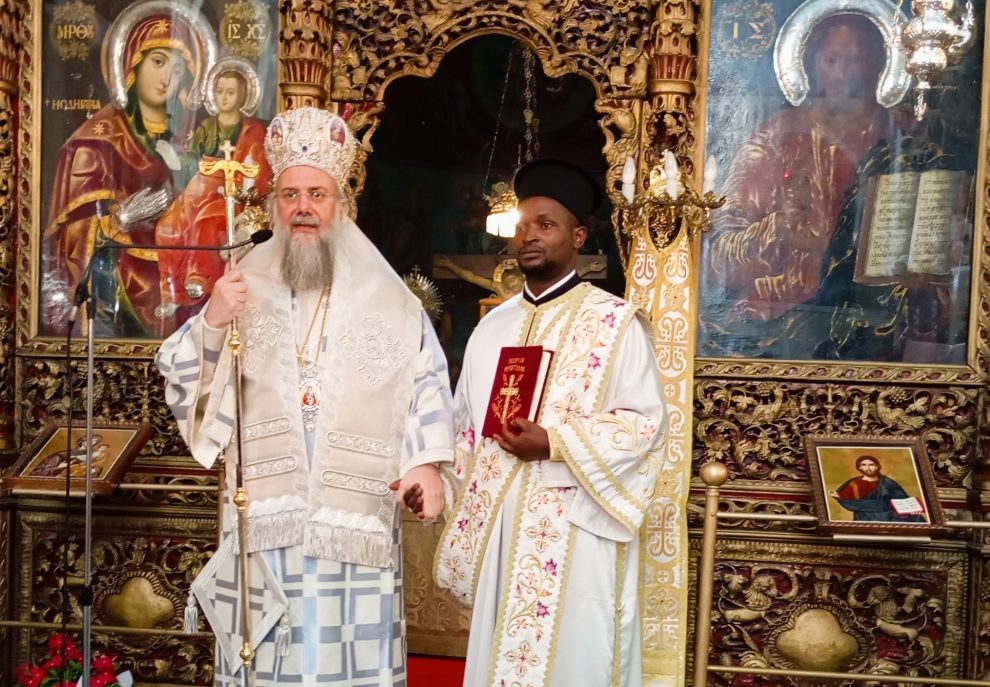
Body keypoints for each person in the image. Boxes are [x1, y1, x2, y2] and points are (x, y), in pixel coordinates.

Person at [156, 107, 453, 686]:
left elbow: (426, 382)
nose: (303, 207)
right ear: (275, 205)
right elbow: (181, 376)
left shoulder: (388, 297)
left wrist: (424, 463)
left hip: (355, 522)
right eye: (290, 194)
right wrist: (213, 319)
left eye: (317, 194)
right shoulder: (243, 282)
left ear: (341, 205)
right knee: (270, 661)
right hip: (267, 517)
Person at [434, 158, 666, 687]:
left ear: (577, 236)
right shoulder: (491, 328)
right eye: (522, 226)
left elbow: (643, 426)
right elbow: (465, 428)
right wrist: (439, 480)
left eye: (546, 225)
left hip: (575, 532)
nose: (529, 236)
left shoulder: (615, 324)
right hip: (499, 528)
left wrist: (555, 442)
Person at [701, 12, 907, 359]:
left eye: (857, 59)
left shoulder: (902, 135)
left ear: (878, 65)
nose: (844, 73)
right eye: (832, 60)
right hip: (782, 314)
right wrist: (780, 230)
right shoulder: (774, 138)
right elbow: (720, 254)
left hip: (876, 314)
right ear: (812, 65)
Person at [43, 5, 209, 337]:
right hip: (119, 286)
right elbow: (67, 240)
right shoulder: (94, 143)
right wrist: (118, 221)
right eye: (158, 62)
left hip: (181, 283)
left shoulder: (195, 141)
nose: (167, 79)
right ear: (132, 62)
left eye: (177, 69)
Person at [156, 59, 272, 325]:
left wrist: (235, 187)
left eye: (231, 92)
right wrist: (177, 161)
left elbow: (255, 168)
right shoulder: (207, 127)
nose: (224, 97)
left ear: (243, 96)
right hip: (198, 190)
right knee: (166, 227)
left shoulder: (252, 131)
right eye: (219, 91)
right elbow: (193, 162)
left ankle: (198, 278)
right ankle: (173, 291)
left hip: (230, 194)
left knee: (206, 221)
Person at [828, 455, 925, 522]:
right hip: (865, 515)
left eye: (871, 465)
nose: (868, 468)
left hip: (888, 515)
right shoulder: (854, 483)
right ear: (859, 468)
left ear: (877, 467)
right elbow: (845, 498)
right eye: (864, 465)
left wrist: (913, 509)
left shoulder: (888, 482)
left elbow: (902, 499)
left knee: (916, 518)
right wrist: (836, 495)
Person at [33, 434, 111, 478]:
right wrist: (59, 467)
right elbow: (37, 473)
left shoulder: (92, 455)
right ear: (83, 441)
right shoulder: (61, 456)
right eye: (91, 440)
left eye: (95, 442)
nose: (93, 443)